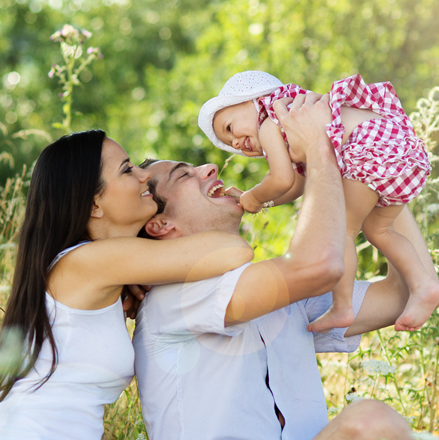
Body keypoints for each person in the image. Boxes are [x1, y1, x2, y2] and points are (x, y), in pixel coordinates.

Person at [133, 92, 439, 439]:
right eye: (184, 175)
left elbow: (400, 295)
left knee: (376, 424)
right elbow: (317, 266)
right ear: (160, 226)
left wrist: (376, 161)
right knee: (368, 422)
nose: (211, 166)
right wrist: (319, 149)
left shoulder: (277, 291)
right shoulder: (176, 298)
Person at [0, 130, 253, 440]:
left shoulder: (95, 272)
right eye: (127, 169)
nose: (144, 175)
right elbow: (232, 249)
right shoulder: (89, 262)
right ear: (94, 205)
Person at [198, 70, 439, 333]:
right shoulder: (297, 115)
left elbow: (280, 179)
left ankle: (343, 307)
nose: (235, 142)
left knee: (344, 231)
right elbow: (297, 184)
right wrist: (263, 202)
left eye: (229, 128)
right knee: (379, 230)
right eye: (230, 144)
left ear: (251, 101)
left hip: (370, 151)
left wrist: (253, 197)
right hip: (400, 149)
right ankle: (425, 285)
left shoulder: (271, 122)